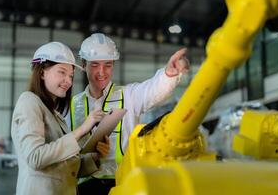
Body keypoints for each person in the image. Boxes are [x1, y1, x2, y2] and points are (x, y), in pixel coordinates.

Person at [66, 33, 190, 194]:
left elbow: (153, 89)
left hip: (124, 185)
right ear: (83, 64)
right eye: (95, 64)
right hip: (85, 187)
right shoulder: (71, 106)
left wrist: (169, 74)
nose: (102, 72)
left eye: (108, 65)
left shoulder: (130, 95)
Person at [11, 42, 110, 195]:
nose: (69, 81)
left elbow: (64, 169)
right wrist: (82, 130)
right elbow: (35, 157)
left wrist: (95, 156)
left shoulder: (55, 114)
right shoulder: (29, 101)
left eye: (70, 75)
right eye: (62, 72)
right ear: (42, 72)